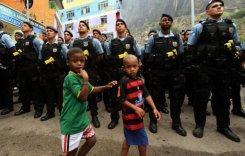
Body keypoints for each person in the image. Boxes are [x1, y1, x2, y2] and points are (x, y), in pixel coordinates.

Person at [187, 0, 240, 142]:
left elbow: (238, 45)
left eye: (220, 5)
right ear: (207, 11)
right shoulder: (199, 27)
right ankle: (200, 126)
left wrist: (235, 50)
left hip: (224, 69)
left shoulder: (231, 26)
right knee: (202, 98)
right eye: (215, 6)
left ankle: (224, 126)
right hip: (205, 68)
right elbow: (190, 47)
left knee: (223, 98)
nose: (219, 7)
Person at [60, 48, 117, 156]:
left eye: (82, 61)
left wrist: (106, 86)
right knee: (71, 152)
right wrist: (86, 80)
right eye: (75, 61)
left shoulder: (79, 76)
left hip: (81, 119)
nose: (79, 63)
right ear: (68, 62)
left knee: (92, 140)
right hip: (71, 122)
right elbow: (82, 97)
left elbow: (91, 89)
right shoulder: (71, 78)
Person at [144, 14, 185, 135]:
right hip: (158, 73)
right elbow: (147, 56)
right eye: (163, 20)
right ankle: (153, 121)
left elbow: (181, 55)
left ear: (171, 23)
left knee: (175, 99)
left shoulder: (177, 38)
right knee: (155, 98)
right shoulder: (154, 38)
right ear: (160, 23)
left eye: (168, 20)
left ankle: (176, 123)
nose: (166, 21)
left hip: (174, 73)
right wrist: (159, 58)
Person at [119, 54, 161, 156]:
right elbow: (122, 100)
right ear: (124, 68)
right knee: (142, 142)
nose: (132, 69)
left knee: (130, 141)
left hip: (139, 116)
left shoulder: (140, 80)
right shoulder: (124, 81)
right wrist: (135, 108)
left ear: (139, 66)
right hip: (129, 117)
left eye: (134, 66)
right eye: (128, 67)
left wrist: (154, 108)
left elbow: (146, 95)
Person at [106, 19, 141, 129]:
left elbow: (138, 54)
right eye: (117, 25)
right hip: (116, 73)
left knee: (132, 96)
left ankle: (133, 117)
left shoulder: (131, 40)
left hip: (130, 74)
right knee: (114, 97)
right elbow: (108, 57)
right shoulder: (112, 42)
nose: (119, 26)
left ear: (125, 27)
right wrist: (118, 58)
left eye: (121, 24)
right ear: (116, 28)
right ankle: (114, 119)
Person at [71, 20, 104, 128]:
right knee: (78, 95)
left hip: (90, 71)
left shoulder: (94, 41)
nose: (80, 26)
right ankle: (80, 117)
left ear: (87, 28)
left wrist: (91, 60)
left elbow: (100, 55)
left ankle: (94, 116)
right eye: (79, 25)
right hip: (77, 72)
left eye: (83, 25)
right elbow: (70, 56)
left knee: (91, 94)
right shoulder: (73, 42)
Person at [14, 21, 43, 118]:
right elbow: (17, 53)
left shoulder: (35, 39)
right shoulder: (20, 41)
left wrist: (39, 65)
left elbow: (41, 51)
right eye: (22, 25)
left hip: (32, 68)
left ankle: (38, 109)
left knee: (35, 90)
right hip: (22, 69)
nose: (22, 26)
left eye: (25, 25)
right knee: (23, 89)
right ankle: (25, 107)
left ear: (31, 28)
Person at [39, 26, 68, 121]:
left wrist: (57, 63)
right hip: (47, 75)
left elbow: (68, 59)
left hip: (59, 74)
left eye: (50, 31)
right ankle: (50, 113)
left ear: (55, 33)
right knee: (49, 94)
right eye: (47, 31)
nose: (48, 32)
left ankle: (63, 113)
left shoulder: (61, 46)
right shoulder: (43, 46)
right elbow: (40, 60)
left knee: (60, 95)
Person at [0, 21, 16, 115]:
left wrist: (10, 64)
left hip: (6, 66)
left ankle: (9, 106)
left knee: (7, 87)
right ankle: (2, 104)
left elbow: (13, 51)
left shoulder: (4, 37)